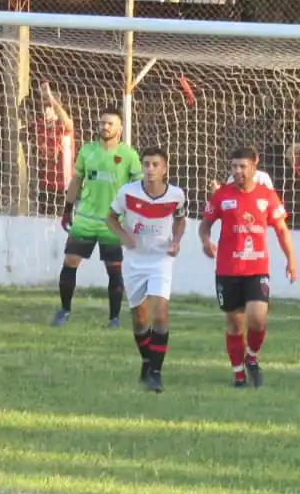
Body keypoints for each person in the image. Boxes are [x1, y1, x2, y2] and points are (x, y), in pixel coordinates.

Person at [199, 145, 297, 388]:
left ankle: (251, 356)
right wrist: (205, 241)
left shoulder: (267, 195)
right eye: (234, 167)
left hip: (257, 269)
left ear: (255, 166)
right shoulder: (222, 195)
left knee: (257, 318)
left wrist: (291, 260)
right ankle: (238, 374)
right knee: (235, 323)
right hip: (227, 269)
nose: (238, 171)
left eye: (242, 166)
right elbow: (205, 224)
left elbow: (282, 230)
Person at [106, 146, 187, 393]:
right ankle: (147, 360)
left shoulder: (176, 195)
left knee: (160, 313)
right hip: (134, 261)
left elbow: (180, 219)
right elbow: (110, 218)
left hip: (161, 260)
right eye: (146, 164)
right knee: (140, 320)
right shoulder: (127, 193)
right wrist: (124, 236)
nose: (150, 169)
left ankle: (156, 373)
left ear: (165, 169)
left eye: (155, 165)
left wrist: (176, 241)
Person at [52, 108, 142, 328]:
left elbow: (138, 189)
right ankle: (64, 310)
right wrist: (67, 209)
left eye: (110, 123)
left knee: (114, 268)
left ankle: (114, 319)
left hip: (113, 221)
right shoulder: (88, 150)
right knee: (70, 261)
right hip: (85, 218)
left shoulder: (129, 155)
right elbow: (76, 181)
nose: (105, 127)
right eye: (102, 123)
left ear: (120, 128)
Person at [30, 80, 75, 216]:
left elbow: (67, 122)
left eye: (48, 106)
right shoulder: (38, 125)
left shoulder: (63, 126)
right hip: (44, 185)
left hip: (64, 185)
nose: (45, 109)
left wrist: (50, 97)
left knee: (60, 222)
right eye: (43, 106)